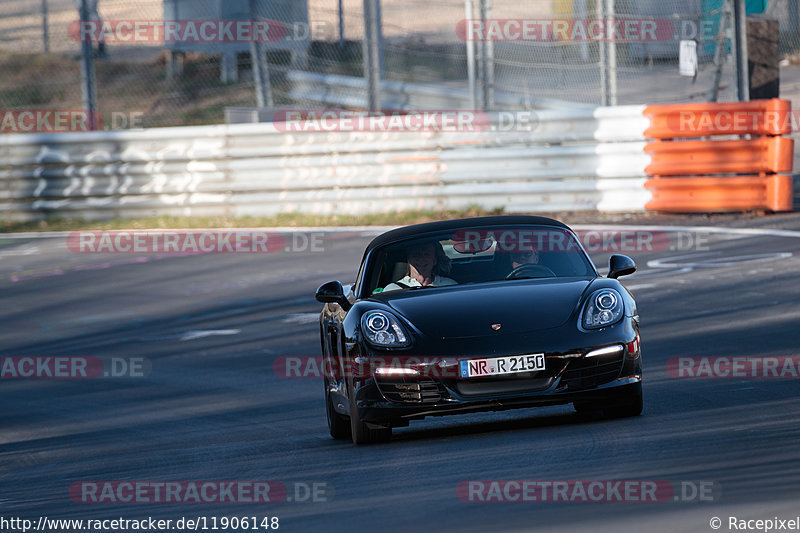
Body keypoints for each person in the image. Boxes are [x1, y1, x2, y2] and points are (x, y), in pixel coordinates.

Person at [383, 241, 457, 292]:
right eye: (416, 254)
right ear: (408, 260)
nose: (421, 259)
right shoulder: (392, 289)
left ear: (435, 261)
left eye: (427, 254)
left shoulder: (450, 285)